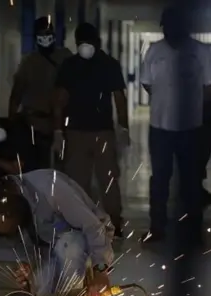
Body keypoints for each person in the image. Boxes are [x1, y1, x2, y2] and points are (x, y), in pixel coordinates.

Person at [138, 6, 211, 244]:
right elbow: (147, 83)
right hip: (160, 128)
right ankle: (158, 227)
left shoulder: (201, 52)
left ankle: (192, 230)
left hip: (191, 129)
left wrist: (192, 105)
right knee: (160, 180)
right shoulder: (155, 51)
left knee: (191, 181)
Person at [0, 169, 115, 296]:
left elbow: (92, 226)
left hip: (88, 242)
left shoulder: (51, 187)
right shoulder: (11, 206)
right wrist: (28, 266)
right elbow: (31, 248)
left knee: (71, 243)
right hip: (54, 250)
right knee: (41, 287)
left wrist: (100, 269)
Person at [52, 22, 129, 237]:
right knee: (88, 181)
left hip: (88, 132)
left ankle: (102, 220)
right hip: (85, 132)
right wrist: (58, 132)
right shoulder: (99, 64)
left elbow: (119, 99)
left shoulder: (98, 64)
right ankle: (107, 221)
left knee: (98, 180)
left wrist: (123, 127)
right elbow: (59, 100)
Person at [9, 17, 73, 169]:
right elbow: (16, 94)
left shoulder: (65, 57)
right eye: (41, 34)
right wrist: (11, 123)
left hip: (62, 124)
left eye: (48, 33)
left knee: (63, 169)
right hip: (35, 124)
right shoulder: (29, 62)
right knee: (37, 168)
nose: (45, 38)